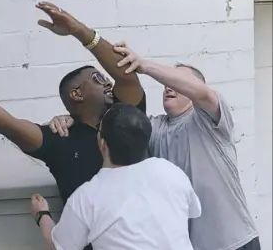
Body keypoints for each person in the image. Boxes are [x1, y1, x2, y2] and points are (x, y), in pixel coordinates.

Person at [0, 2, 145, 250]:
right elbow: (6, 124)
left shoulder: (126, 119)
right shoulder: (60, 140)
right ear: (77, 93)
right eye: (98, 79)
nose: (108, 83)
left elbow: (125, 74)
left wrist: (78, 30)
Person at [47, 43, 260, 250]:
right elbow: (121, 125)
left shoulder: (210, 121)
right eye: (168, 81)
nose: (169, 85)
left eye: (179, 80)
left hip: (236, 243)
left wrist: (145, 66)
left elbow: (203, 94)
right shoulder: (154, 128)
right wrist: (73, 118)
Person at [29, 103, 202, 250]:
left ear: (102, 144)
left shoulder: (87, 197)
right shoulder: (171, 172)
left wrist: (42, 214)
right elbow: (192, 211)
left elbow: (57, 245)